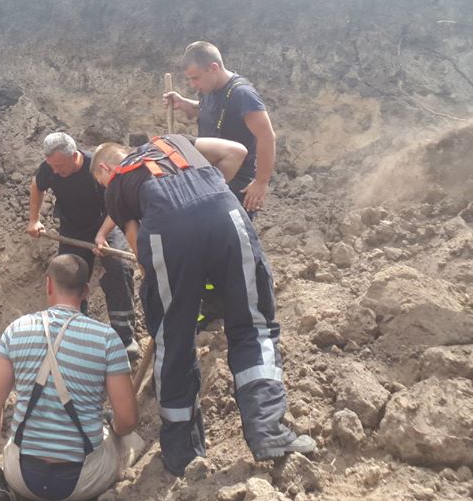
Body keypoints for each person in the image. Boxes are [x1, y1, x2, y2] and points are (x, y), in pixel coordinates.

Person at [90, 135, 315, 475]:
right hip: (225, 212)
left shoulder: (117, 186)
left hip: (168, 231)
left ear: (106, 167)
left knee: (174, 340)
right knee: (253, 325)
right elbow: (236, 151)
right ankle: (268, 430)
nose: (104, 185)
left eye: (100, 180)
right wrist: (202, 199)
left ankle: (183, 455)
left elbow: (141, 255)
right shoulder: (174, 141)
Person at [0, 254, 140, 501]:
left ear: (48, 284)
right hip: (82, 480)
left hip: (21, 476)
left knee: (14, 444)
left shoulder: (16, 330)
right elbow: (127, 420)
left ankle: (5, 494)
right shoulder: (107, 339)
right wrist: (114, 429)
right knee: (131, 441)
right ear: (86, 291)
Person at [27, 132, 137, 358]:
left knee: (118, 268)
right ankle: (72, 330)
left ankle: (124, 337)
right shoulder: (50, 167)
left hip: (107, 222)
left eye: (59, 166)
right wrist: (34, 219)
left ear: (74, 155)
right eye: (52, 166)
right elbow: (37, 186)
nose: (55, 172)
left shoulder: (94, 166)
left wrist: (101, 235)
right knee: (68, 275)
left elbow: (118, 204)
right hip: (73, 229)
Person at [163, 41, 276, 216]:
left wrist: (261, 182)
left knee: (231, 239)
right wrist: (184, 103)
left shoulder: (242, 94)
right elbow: (206, 111)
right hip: (210, 177)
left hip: (236, 186)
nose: (193, 84)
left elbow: (267, 136)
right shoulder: (209, 89)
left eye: (196, 77)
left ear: (213, 68)